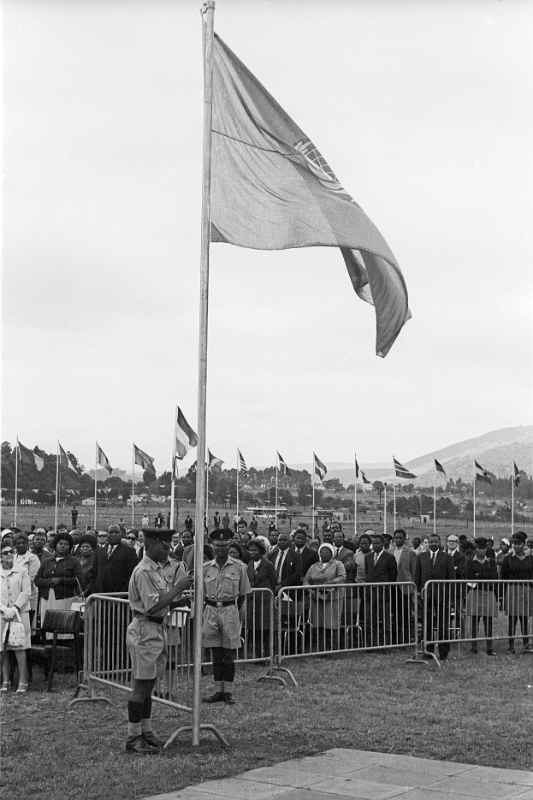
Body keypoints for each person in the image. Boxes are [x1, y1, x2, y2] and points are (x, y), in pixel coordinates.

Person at [125, 528, 193, 753]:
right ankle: (133, 737)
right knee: (142, 686)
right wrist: (178, 588)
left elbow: (160, 603)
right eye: (163, 546)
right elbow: (152, 605)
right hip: (145, 629)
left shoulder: (156, 570)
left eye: (169, 545)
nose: (168, 550)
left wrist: (178, 601)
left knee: (149, 683)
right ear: (150, 543)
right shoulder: (144, 571)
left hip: (156, 627)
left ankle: (146, 730)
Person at [202, 529, 251, 704]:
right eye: (217, 546)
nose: (221, 550)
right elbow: (201, 594)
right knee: (216, 653)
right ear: (212, 547)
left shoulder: (239, 567)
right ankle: (217, 690)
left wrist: (234, 611)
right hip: (211, 610)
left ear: (230, 545)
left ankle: (228, 691)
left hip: (230, 609)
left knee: (229, 654)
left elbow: (244, 593)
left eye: (224, 546)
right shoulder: (205, 568)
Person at [415, 533, 454, 660]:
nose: (433, 544)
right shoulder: (421, 557)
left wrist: (448, 595)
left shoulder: (447, 557)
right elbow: (417, 576)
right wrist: (418, 592)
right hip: (426, 596)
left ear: (440, 542)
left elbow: (451, 578)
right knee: (427, 624)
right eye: (431, 542)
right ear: (427, 543)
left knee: (443, 624)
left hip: (442, 597)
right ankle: (428, 650)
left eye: (435, 542)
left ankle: (443, 652)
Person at [1, 543, 31, 693]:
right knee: (3, 648)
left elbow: (26, 592)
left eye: (10, 552)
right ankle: (6, 680)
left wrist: (15, 608)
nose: (8, 555)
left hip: (20, 614)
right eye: (5, 553)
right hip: (2, 614)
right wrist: (4, 609)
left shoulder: (22, 571)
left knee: (20, 647)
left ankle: (23, 680)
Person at [303, 543, 346, 650]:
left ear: (332, 553)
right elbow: (306, 580)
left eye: (327, 551)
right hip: (316, 598)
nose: (324, 553)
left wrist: (329, 584)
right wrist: (310, 589)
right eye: (322, 551)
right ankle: (320, 649)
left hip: (332, 598)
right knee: (318, 623)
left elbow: (342, 577)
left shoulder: (338, 564)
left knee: (332, 623)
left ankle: (333, 648)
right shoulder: (314, 566)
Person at [35, 532, 83, 623]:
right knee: (48, 625)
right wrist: (49, 581)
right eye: (60, 544)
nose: (63, 546)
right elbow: (37, 580)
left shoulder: (74, 561)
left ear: (70, 546)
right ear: (56, 545)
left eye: (66, 544)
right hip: (47, 598)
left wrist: (61, 580)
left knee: (63, 626)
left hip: (65, 599)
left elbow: (79, 580)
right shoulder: (47, 561)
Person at [464, 537, 498, 656]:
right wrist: (480, 577)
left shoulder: (491, 561)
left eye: (483, 548)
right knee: (474, 620)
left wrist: (479, 575)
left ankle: (489, 647)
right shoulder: (470, 562)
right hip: (475, 592)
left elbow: (494, 577)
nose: (481, 551)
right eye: (479, 548)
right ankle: (474, 646)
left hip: (488, 592)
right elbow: (469, 577)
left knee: (488, 621)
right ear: (475, 549)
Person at [501, 531, 533, 653]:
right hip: (512, 590)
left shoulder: (530, 559)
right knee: (512, 619)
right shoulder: (508, 559)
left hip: (526, 591)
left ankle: (526, 644)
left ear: (524, 544)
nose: (515, 546)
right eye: (514, 543)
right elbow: (503, 576)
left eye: (518, 543)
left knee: (524, 619)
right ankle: (511, 646)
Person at [364, 533, 398, 647]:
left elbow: (393, 576)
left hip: (384, 594)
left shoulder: (389, 557)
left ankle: (385, 644)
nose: (375, 545)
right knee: (370, 620)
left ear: (383, 544)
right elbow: (367, 574)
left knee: (385, 621)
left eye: (377, 543)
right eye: (373, 543)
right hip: (370, 594)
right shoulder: (367, 557)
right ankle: (371, 644)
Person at [246, 539, 276, 658]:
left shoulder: (268, 565)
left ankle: (268, 655)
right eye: (250, 550)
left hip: (265, 602)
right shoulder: (249, 564)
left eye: (255, 550)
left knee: (266, 629)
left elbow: (274, 581)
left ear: (261, 551)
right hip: (253, 602)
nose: (252, 553)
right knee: (256, 630)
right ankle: (258, 655)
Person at [390, 529, 417, 644]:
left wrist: (413, 587)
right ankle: (395, 639)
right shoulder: (390, 552)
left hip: (405, 588)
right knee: (395, 614)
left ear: (404, 539)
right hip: (393, 587)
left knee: (405, 615)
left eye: (400, 537)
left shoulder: (410, 553)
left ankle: (406, 640)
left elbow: (414, 571)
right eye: (396, 537)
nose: (398, 540)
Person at [95, 525, 138, 594]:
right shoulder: (99, 551)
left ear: (121, 534)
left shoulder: (129, 552)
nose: (114, 534)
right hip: (100, 595)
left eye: (116, 532)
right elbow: (94, 572)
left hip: (119, 596)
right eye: (111, 532)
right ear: (107, 535)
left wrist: (123, 592)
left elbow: (132, 575)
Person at [13, 532, 40, 629]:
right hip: (13, 592)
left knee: (25, 621)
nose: (21, 545)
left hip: (29, 593)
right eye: (18, 543)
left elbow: (32, 577)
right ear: (14, 544)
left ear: (27, 544)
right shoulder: (12, 557)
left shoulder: (33, 558)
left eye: (23, 543)